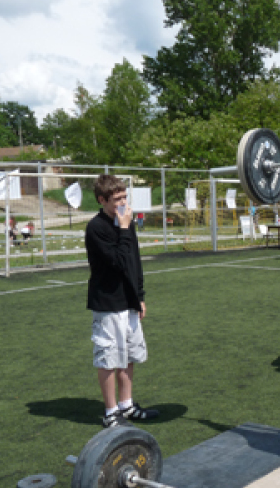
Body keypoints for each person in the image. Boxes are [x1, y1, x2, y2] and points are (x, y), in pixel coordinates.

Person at [85, 174, 158, 428]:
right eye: (117, 199)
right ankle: (110, 412)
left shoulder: (125, 222)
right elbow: (117, 260)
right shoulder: (96, 228)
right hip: (107, 303)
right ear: (102, 200)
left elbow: (134, 261)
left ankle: (127, 405)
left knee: (129, 355)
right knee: (108, 358)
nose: (123, 203)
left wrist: (140, 296)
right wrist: (124, 228)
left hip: (128, 301)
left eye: (125, 197)